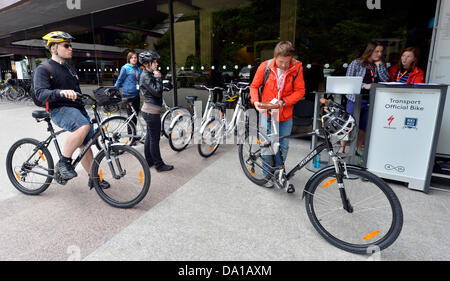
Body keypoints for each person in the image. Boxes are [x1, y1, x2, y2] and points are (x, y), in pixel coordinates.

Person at [34, 31, 109, 188]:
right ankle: (64, 162)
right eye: (66, 45)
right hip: (59, 109)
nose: (70, 48)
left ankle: (94, 178)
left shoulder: (70, 69)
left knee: (86, 144)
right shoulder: (44, 68)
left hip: (76, 109)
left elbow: (77, 92)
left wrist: (92, 101)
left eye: (70, 45)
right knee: (83, 126)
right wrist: (60, 92)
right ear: (53, 48)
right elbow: (40, 93)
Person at [250, 41, 305, 187]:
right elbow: (254, 86)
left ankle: (277, 171)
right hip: (267, 113)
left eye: (288, 62)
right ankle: (267, 176)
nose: (284, 65)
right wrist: (256, 102)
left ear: (292, 58)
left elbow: (300, 91)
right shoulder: (265, 66)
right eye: (281, 62)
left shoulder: (297, 67)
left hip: (285, 114)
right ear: (275, 57)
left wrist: (284, 102)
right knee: (267, 146)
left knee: (283, 146)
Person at [343, 40, 389, 154]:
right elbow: (348, 81)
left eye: (381, 52)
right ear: (369, 51)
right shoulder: (356, 63)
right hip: (355, 99)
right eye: (377, 51)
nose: (379, 54)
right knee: (348, 124)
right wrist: (365, 85)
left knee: (364, 126)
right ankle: (342, 147)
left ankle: (358, 148)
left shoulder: (379, 65)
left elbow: (386, 79)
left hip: (371, 100)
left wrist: (380, 67)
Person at [139, 50, 174, 172]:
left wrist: (163, 84)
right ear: (147, 63)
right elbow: (157, 92)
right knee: (154, 139)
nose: (156, 64)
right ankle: (159, 165)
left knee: (150, 137)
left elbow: (155, 90)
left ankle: (149, 161)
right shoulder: (146, 76)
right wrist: (159, 78)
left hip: (150, 110)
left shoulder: (148, 75)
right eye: (154, 62)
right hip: (151, 112)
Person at [115, 52, 141, 130]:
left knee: (135, 115)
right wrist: (114, 90)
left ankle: (134, 134)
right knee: (130, 116)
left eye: (135, 57)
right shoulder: (125, 68)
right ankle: (130, 136)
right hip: (128, 95)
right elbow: (119, 80)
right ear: (129, 59)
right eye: (132, 57)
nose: (134, 59)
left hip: (136, 94)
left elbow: (139, 80)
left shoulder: (138, 68)